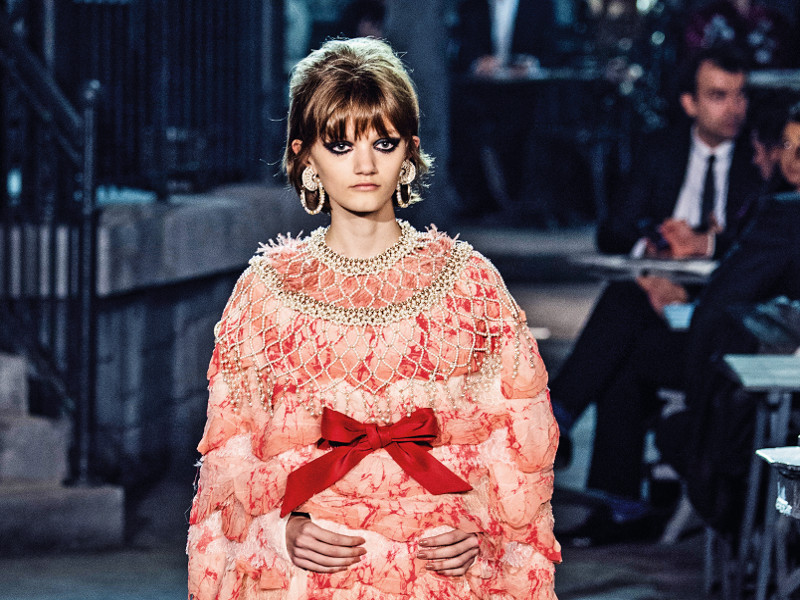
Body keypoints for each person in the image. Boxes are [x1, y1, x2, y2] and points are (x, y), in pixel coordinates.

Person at [186, 38, 560, 599]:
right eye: (339, 145)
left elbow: (516, 442)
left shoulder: (467, 281)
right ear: (304, 155)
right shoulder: (265, 293)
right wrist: (279, 531)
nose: (365, 165)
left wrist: (480, 529)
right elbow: (228, 463)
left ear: (409, 151)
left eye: (383, 142)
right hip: (310, 578)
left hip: (443, 572)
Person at [550, 45, 763, 506]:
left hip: (720, 314)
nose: (734, 109)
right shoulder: (662, 150)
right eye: (718, 96)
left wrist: (704, 246)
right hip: (656, 296)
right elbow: (612, 229)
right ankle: (616, 499)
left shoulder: (760, 158)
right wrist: (650, 251)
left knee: (623, 329)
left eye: (740, 96)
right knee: (628, 311)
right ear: (690, 103)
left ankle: (557, 420)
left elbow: (766, 247)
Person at [658, 101, 800, 533]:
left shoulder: (784, 216)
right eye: (789, 146)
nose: (791, 160)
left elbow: (723, 305)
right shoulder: (777, 210)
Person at [683, 0, 796, 69]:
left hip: (770, 96)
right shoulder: (703, 19)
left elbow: (788, 62)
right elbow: (693, 63)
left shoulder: (774, 19)